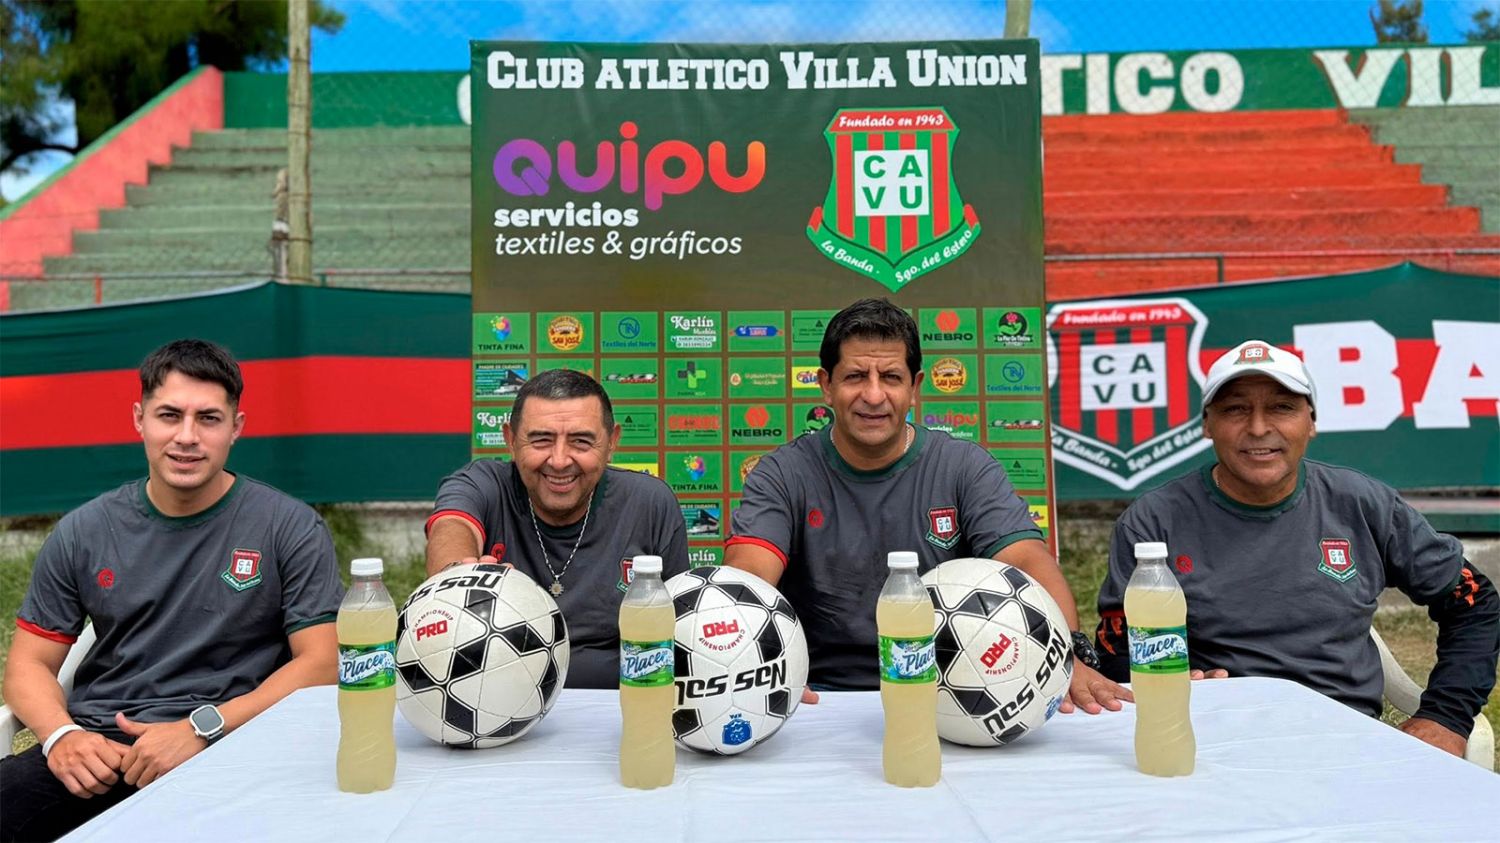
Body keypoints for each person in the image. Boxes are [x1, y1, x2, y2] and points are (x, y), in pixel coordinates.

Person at [0, 339, 344, 842]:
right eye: (169, 415)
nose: (187, 437)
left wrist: (202, 728)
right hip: (102, 752)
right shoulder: (83, 532)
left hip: (236, 745)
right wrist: (62, 736)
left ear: (236, 428)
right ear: (139, 419)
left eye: (208, 419)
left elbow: (322, 662)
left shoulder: (288, 528)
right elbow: (27, 665)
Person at [1094, 339, 1499, 756]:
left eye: (1282, 407)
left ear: (1311, 422)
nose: (1258, 428)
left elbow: (1473, 601)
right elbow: (1116, 649)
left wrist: (1445, 716)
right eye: (1235, 409)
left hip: (1346, 744)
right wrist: (1175, 684)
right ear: (1207, 425)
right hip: (1211, 743)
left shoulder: (1362, 503)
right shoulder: (1154, 521)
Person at [726, 298, 1130, 713]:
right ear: (826, 385)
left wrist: (1066, 655)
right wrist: (746, 665)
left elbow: (1026, 561)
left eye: (891, 377)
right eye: (855, 376)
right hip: (817, 695)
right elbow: (748, 578)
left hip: (951, 692)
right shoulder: (782, 473)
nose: (873, 395)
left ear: (915, 388)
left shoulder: (963, 466)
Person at [425, 368, 689, 689]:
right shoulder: (482, 484)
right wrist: (460, 577)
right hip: (500, 701)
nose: (560, 460)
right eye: (541, 440)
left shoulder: (650, 502)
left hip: (624, 706)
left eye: (581, 441)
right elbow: (452, 528)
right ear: (511, 440)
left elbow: (680, 631)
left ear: (611, 442)